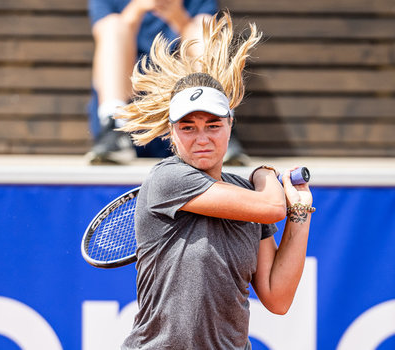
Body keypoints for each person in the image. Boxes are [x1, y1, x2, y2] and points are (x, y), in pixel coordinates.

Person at [117, 13, 314, 349]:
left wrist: (300, 215)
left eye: (213, 125)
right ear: (172, 133)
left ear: (230, 125)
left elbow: (277, 298)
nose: (202, 138)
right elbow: (270, 207)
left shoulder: (251, 197)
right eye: (188, 127)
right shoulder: (168, 178)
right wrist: (263, 174)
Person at [85, 0, 248, 165]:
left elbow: (204, 34)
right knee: (113, 26)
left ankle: (219, 121)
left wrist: (178, 18)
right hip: (127, 120)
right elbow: (103, 34)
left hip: (187, 120)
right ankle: (113, 123)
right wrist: (137, 9)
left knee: (202, 27)